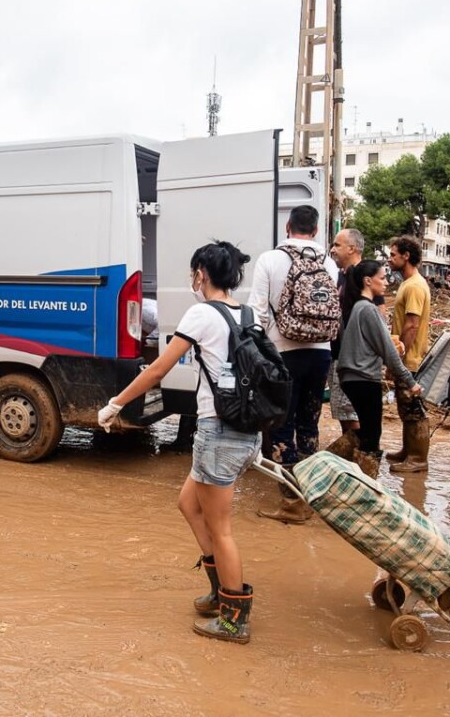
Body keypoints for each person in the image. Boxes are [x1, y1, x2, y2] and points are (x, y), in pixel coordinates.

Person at [97, 241, 259, 643]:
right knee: (188, 503)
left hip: (219, 432)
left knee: (221, 528)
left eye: (193, 272)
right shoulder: (248, 314)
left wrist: (115, 404)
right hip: (243, 429)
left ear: (201, 273)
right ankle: (219, 592)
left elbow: (157, 371)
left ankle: (233, 619)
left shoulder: (202, 313)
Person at [248, 205, 339, 523]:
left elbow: (257, 311)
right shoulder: (328, 262)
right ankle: (310, 496)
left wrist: (257, 353)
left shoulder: (270, 259)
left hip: (282, 353)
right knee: (309, 424)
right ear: (316, 230)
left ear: (288, 226)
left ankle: (291, 503)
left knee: (281, 426)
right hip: (321, 353)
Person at [337, 260, 422, 477]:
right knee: (372, 435)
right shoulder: (369, 309)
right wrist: (410, 381)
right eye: (382, 278)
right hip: (363, 378)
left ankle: (335, 466)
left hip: (352, 376)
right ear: (368, 281)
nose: (386, 283)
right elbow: (388, 351)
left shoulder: (357, 307)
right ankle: (364, 483)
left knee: (364, 431)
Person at [382, 235, 432, 473]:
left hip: (411, 359)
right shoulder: (408, 283)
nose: (389, 259)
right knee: (405, 406)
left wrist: (398, 359)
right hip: (408, 357)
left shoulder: (414, 286)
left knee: (414, 410)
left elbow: (412, 325)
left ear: (406, 256)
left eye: (393, 255)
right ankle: (408, 450)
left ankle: (418, 458)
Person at [325, 229, 373, 454]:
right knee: (343, 411)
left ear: (352, 248)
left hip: (353, 358)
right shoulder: (342, 276)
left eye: (337, 245)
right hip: (339, 354)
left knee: (351, 411)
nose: (332, 249)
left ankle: (362, 458)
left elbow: (377, 314)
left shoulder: (363, 276)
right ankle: (355, 458)